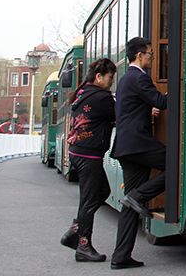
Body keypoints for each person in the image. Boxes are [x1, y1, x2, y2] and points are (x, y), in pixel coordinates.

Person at [109, 37, 168, 270]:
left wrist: (147, 110)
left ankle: (120, 256)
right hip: (138, 144)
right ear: (139, 55)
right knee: (177, 166)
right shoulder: (139, 77)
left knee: (128, 204)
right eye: (150, 53)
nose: (152, 57)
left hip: (126, 146)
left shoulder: (127, 79)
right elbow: (161, 101)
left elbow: (137, 105)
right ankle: (139, 196)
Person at [59, 58, 117, 263]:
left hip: (79, 152)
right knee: (90, 200)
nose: (111, 81)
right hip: (88, 154)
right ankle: (83, 246)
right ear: (99, 77)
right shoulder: (102, 98)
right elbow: (121, 115)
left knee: (101, 193)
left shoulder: (83, 93)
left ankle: (74, 232)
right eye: (110, 78)